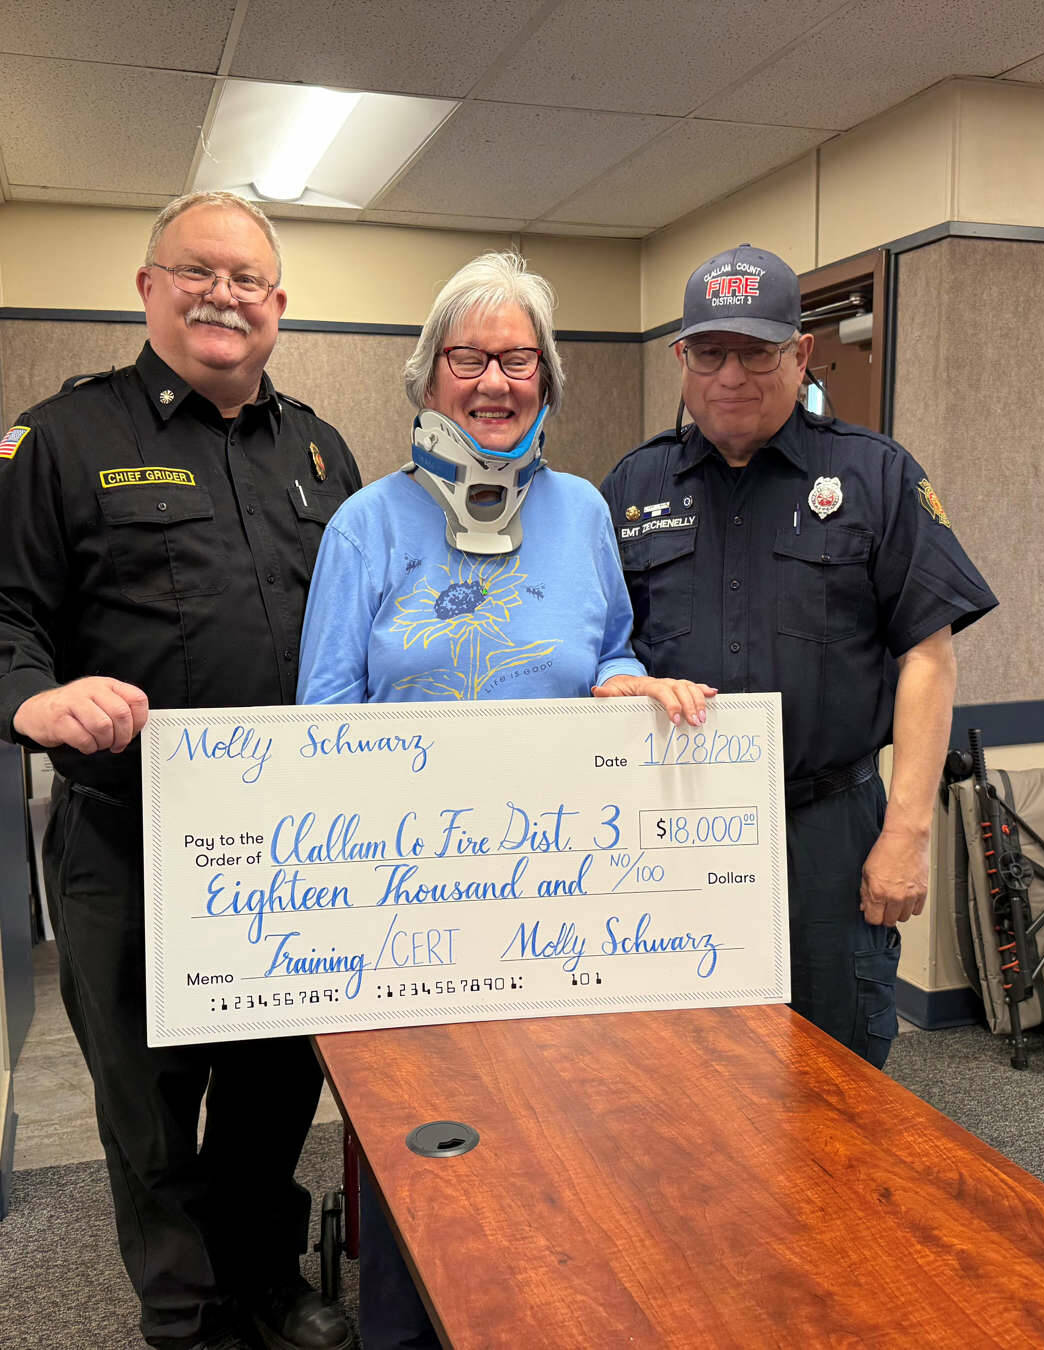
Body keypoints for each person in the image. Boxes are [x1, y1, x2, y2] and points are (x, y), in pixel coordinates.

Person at [0, 191, 359, 1350]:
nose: (224, 295)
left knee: (275, 1096)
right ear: (148, 285)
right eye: (197, 272)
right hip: (131, 842)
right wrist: (35, 698)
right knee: (152, 1109)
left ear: (278, 307)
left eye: (248, 281)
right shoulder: (64, 440)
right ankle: (189, 1318)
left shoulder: (322, 450)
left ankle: (268, 1283)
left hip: (291, 854)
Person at [296, 252, 714, 1350]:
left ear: (548, 380)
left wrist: (629, 686)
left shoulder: (582, 517)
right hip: (407, 915)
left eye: (518, 359)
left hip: (561, 907)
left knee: (561, 1145)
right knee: (418, 1155)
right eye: (468, 357)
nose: (494, 381)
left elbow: (608, 649)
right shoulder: (366, 528)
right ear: (428, 377)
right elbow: (323, 721)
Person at [601, 243, 997, 1070]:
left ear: (802, 352)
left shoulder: (875, 477)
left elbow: (928, 657)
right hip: (676, 820)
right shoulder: (633, 489)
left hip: (826, 827)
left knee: (836, 1063)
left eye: (757, 351)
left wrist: (907, 834)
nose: (731, 375)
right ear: (682, 358)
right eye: (709, 352)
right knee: (678, 1063)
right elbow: (603, 651)